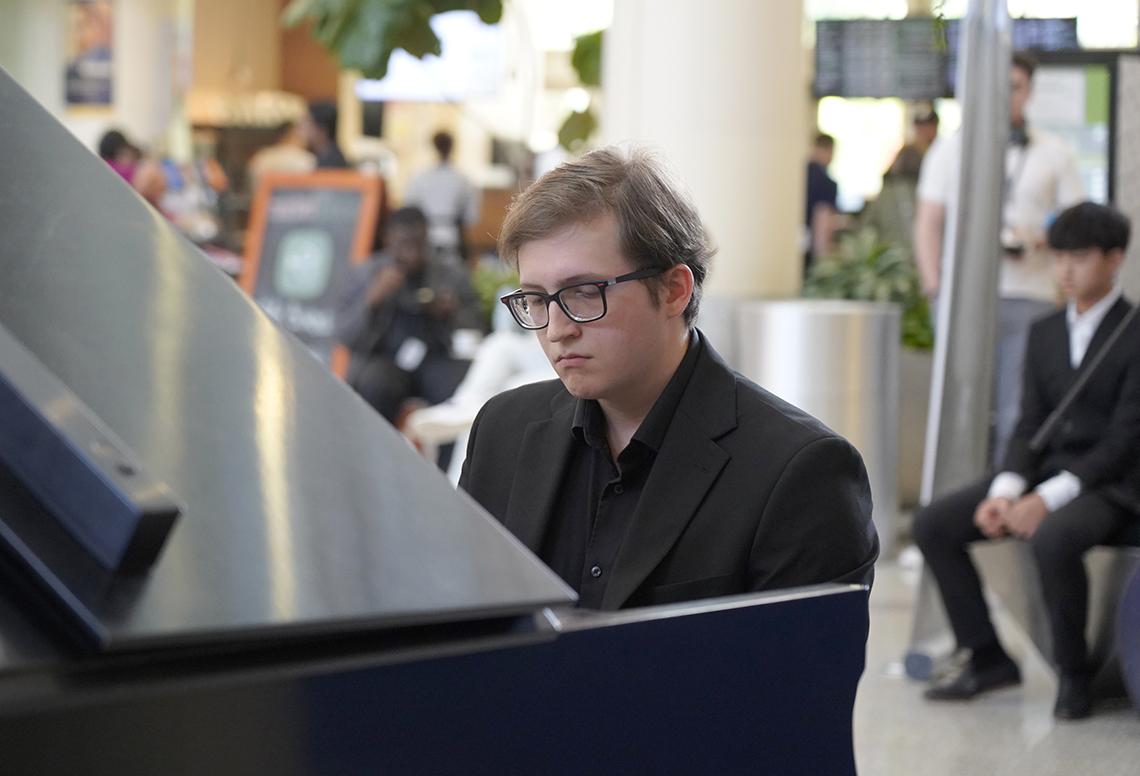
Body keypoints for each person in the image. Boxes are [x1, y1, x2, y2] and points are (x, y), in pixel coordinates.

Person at [459, 146, 878, 611]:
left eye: (584, 293)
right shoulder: (504, 430)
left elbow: (797, 681)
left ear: (675, 290)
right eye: (536, 300)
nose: (558, 329)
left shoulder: (800, 472)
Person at [914, 202, 1140, 720]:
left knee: (1054, 536)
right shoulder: (1044, 332)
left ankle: (1074, 674)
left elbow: (1126, 440)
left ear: (1114, 259)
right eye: (1059, 257)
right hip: (1046, 471)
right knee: (934, 524)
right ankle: (988, 657)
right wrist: (1006, 492)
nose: (1065, 270)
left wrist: (1046, 499)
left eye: (1079, 258)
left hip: (1112, 483)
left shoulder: (1133, 331)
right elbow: (1029, 425)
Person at [915, 51, 1084, 464]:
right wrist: (935, 286)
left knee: (1017, 405)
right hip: (963, 297)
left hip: (1031, 294)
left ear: (1029, 92)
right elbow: (928, 222)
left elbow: (1075, 223)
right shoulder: (950, 151)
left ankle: (1003, 492)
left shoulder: (1054, 152)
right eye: (999, 87)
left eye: (1016, 87)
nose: (1007, 96)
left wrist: (1040, 238)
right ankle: (961, 493)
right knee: (963, 405)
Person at [334, 206, 481, 424]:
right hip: (383, 359)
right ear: (388, 240)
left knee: (463, 384)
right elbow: (344, 337)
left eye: (418, 244)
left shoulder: (450, 273)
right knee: (376, 384)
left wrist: (451, 314)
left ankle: (451, 458)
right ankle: (375, 455)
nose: (411, 253)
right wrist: (372, 300)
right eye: (404, 244)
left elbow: (476, 328)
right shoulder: (365, 274)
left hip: (435, 358)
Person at [404, 130, 480, 261]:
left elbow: (409, 210)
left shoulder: (420, 177)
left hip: (426, 238)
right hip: (450, 238)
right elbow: (470, 217)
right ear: (452, 147)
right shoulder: (463, 179)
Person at [247, 120, 317, 192]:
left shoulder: (260, 157)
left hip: (262, 202)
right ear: (293, 134)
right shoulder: (306, 159)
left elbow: (251, 188)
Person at [805, 133, 839, 273]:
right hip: (811, 247)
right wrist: (821, 261)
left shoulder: (796, 174)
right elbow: (822, 224)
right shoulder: (826, 183)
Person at [303, 100, 349, 169]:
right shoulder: (322, 154)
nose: (302, 128)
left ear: (321, 129)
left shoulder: (331, 163)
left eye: (307, 122)